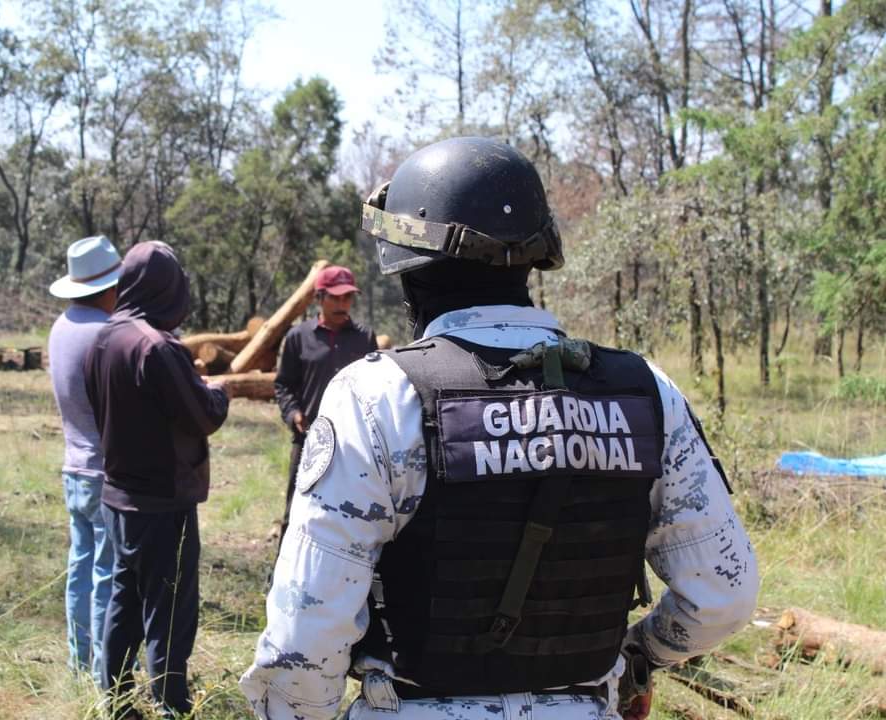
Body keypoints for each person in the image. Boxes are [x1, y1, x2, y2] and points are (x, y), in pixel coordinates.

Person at [240, 137, 759, 720]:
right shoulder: (648, 393)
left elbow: (304, 636)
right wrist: (636, 656)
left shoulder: (376, 398)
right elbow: (723, 595)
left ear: (407, 270)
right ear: (537, 259)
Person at [84, 241, 230, 718]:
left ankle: (118, 702)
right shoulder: (157, 347)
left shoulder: (104, 338)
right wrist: (219, 391)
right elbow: (202, 416)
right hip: (163, 504)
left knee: (124, 603)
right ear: (170, 289)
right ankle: (172, 706)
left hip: (117, 497)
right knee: (169, 613)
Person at [47, 236, 124, 685]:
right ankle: (104, 676)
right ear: (109, 288)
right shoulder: (103, 335)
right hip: (102, 471)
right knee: (106, 575)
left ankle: (79, 662)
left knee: (80, 567)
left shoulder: (62, 326)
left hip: (73, 466)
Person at [273, 265, 376, 538]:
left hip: (353, 443)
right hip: (309, 441)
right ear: (320, 297)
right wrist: (293, 413)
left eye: (348, 298)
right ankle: (284, 575)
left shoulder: (365, 338)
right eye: (336, 298)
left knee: (350, 511)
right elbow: (283, 385)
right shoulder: (298, 338)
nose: (344, 304)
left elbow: (376, 388)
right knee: (296, 509)